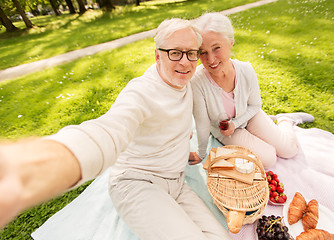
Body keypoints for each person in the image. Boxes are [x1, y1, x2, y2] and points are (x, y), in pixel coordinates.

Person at [0, 18, 231, 240]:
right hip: (136, 184)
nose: (185, 62)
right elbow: (108, 132)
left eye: (191, 53)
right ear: (157, 55)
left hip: (176, 182)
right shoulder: (140, 93)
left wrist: (182, 149)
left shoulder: (186, 82)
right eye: (175, 52)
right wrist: (46, 163)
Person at [191, 13, 314, 168]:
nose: (211, 59)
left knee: (289, 151)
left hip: (249, 116)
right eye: (203, 52)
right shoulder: (197, 81)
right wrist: (202, 153)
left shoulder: (246, 70)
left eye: (216, 48)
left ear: (230, 43)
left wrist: (236, 123)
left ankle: (285, 120)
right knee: (268, 159)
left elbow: (255, 105)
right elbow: (202, 123)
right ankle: (268, 128)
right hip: (225, 131)